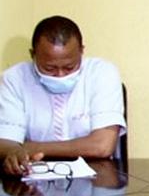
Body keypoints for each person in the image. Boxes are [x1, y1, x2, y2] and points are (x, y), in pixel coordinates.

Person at [0, 16, 126, 176]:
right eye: (49, 68)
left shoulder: (102, 73)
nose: (60, 75)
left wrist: (29, 148)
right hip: (34, 177)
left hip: (97, 178)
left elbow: (102, 146)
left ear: (82, 51)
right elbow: (5, 139)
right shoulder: (13, 78)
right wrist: (14, 151)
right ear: (33, 54)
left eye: (69, 67)